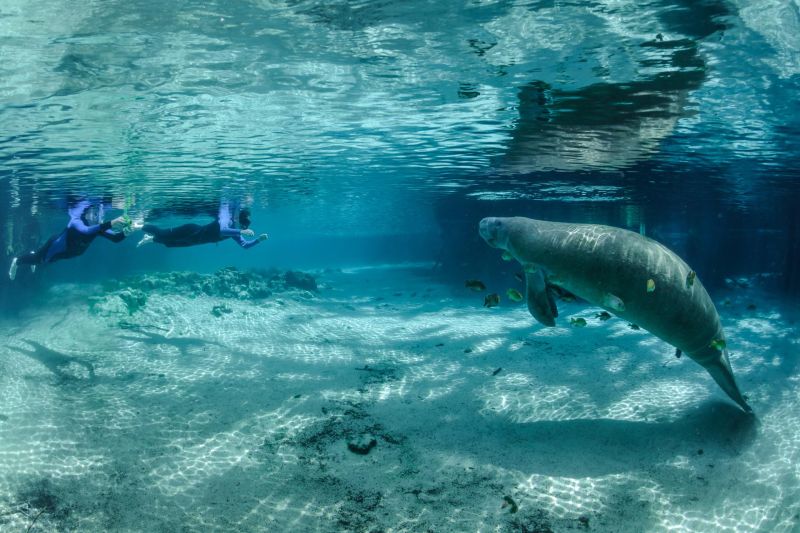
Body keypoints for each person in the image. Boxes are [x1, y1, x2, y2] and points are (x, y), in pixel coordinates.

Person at [8, 200, 129, 280]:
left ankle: (35, 255)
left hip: (67, 253)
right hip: (56, 246)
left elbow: (116, 238)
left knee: (45, 262)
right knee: (40, 260)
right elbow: (86, 231)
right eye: (95, 213)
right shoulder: (76, 222)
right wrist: (111, 223)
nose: (99, 216)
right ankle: (17, 261)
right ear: (86, 214)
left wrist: (129, 230)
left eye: (100, 213)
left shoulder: (97, 227)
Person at [137, 202, 268, 249]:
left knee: (169, 244)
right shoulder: (227, 221)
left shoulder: (235, 231)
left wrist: (258, 240)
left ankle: (150, 239)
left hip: (194, 242)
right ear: (238, 217)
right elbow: (223, 230)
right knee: (162, 234)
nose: (245, 225)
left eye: (247, 224)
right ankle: (138, 224)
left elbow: (245, 245)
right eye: (245, 221)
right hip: (191, 231)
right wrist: (241, 232)